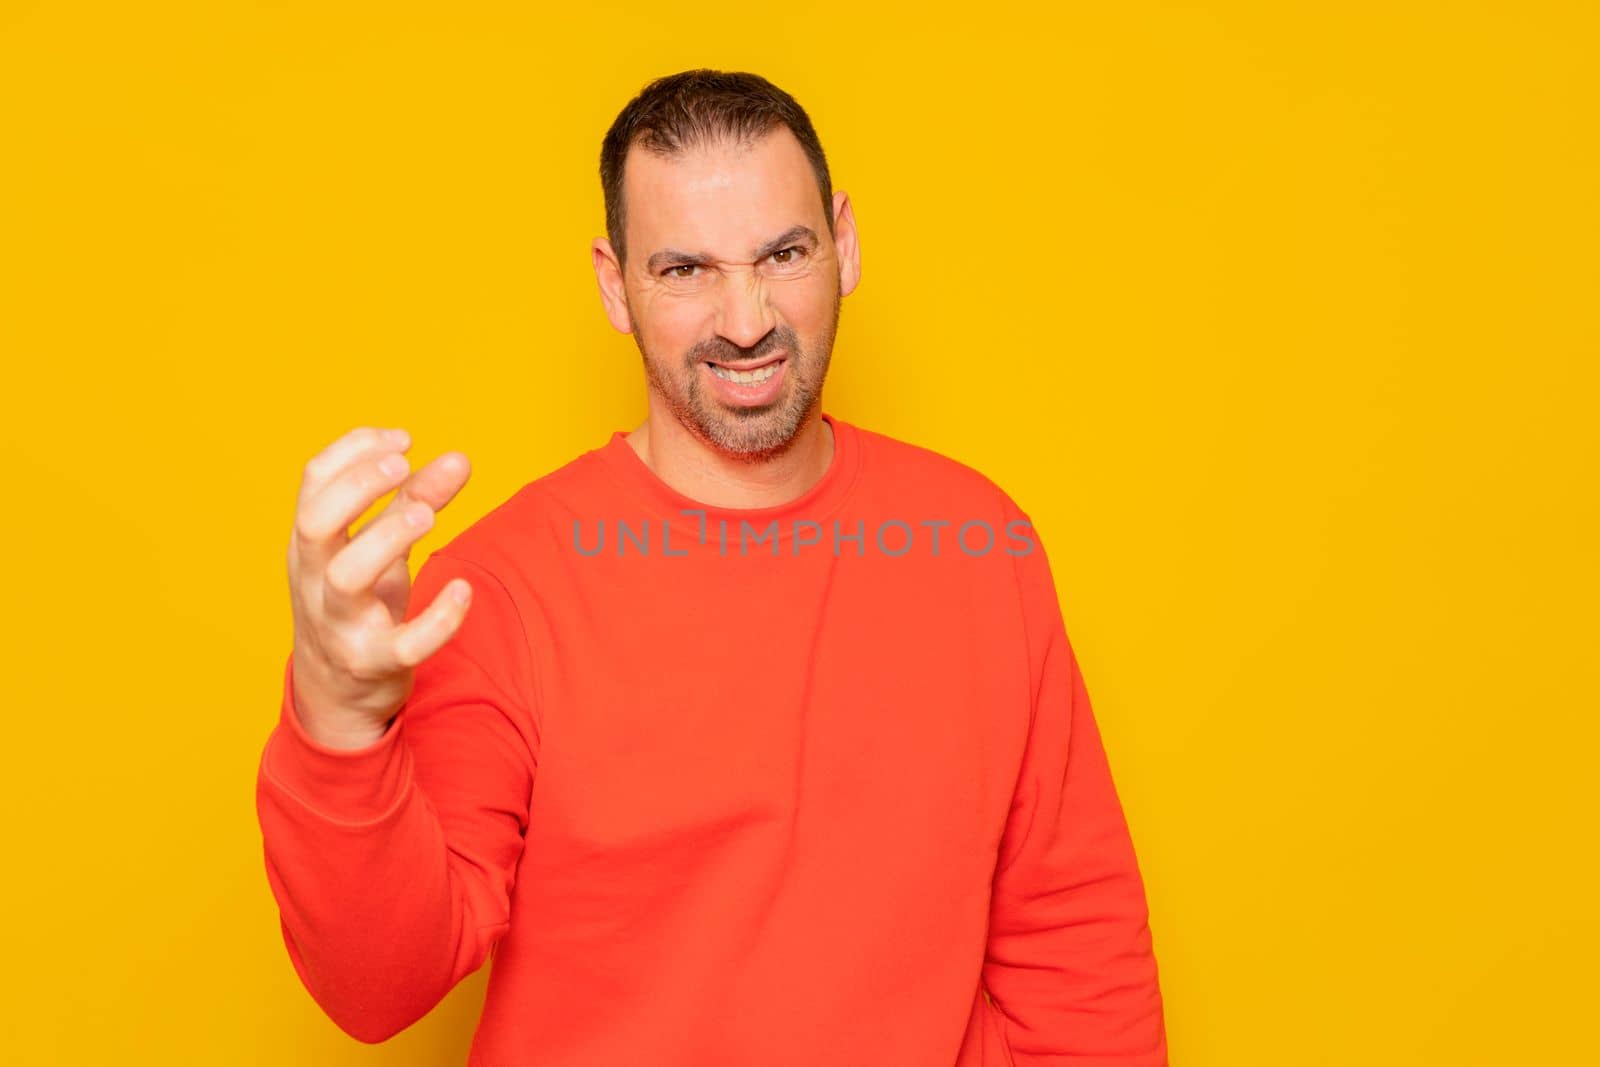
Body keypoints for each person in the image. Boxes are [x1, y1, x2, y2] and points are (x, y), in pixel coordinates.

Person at [257, 69, 1169, 1065]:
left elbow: (1075, 950)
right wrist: (339, 720)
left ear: (845, 243)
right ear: (615, 285)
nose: (745, 319)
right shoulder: (501, 591)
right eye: (684, 269)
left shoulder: (979, 544)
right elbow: (381, 982)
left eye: (781, 253)